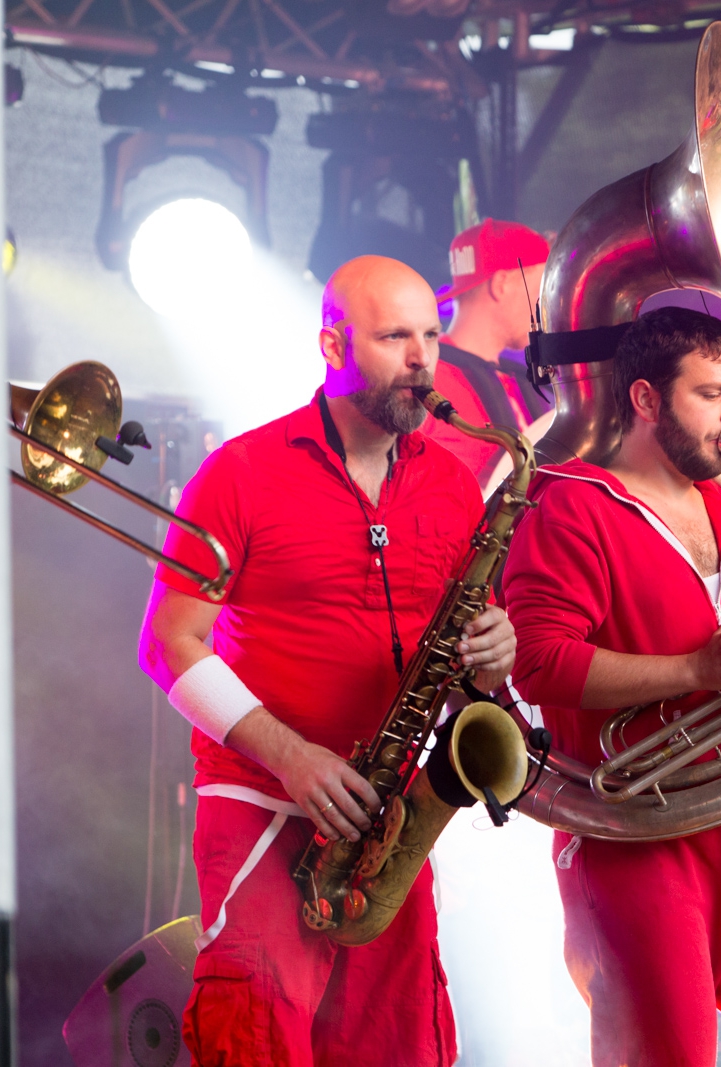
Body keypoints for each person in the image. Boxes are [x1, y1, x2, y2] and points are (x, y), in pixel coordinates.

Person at [137, 255, 517, 1066]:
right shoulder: (240, 472)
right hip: (262, 804)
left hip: (382, 819)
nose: (423, 359)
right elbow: (170, 642)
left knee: (399, 1044)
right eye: (393, 337)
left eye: (431, 336)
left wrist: (491, 657)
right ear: (331, 343)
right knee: (257, 1040)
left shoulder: (455, 487)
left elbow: (453, 667)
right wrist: (293, 757)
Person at [502, 305, 721, 1067]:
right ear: (647, 400)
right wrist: (699, 669)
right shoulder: (570, 506)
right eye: (712, 393)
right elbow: (540, 663)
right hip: (640, 839)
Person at [429, 218, 555, 491]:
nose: (545, 307)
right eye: (539, 291)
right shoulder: (421, 379)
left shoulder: (520, 376)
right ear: (502, 284)